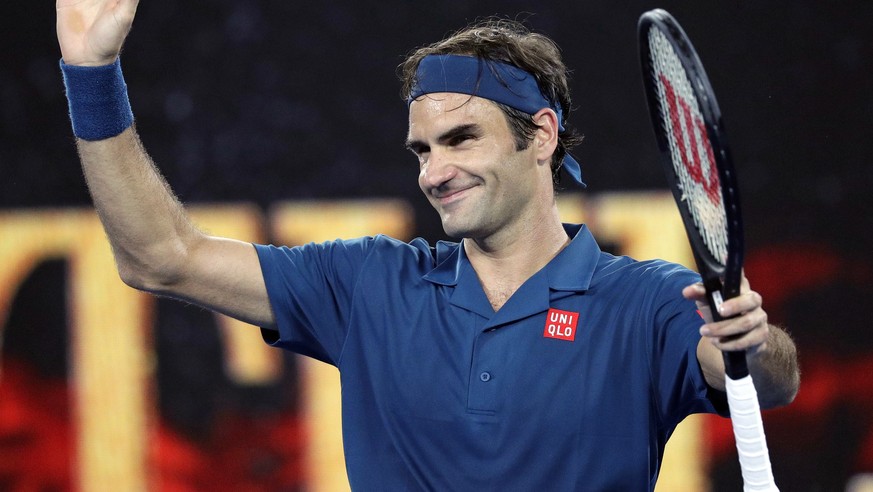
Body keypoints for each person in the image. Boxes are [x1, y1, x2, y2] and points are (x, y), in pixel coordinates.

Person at [56, 1, 799, 490]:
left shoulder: (643, 302)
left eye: (460, 138)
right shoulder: (367, 285)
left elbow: (767, 380)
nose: (434, 172)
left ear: (538, 135)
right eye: (420, 150)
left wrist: (746, 342)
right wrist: (91, 74)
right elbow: (159, 254)